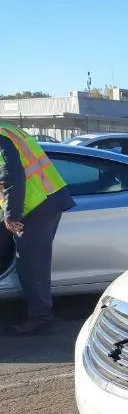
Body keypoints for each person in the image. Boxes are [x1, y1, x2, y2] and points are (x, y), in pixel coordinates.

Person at [0, 122, 75, 335]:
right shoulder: (8, 128)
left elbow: (11, 176)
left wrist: (11, 215)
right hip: (46, 196)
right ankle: (38, 311)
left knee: (31, 265)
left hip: (36, 204)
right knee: (33, 263)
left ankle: (41, 318)